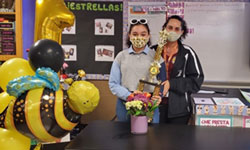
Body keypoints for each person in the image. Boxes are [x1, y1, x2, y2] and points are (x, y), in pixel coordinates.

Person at [152, 15, 204, 124]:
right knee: (153, 139)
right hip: (154, 105)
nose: (172, 31)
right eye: (170, 28)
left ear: (182, 32)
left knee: (177, 140)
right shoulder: (153, 50)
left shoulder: (187, 52)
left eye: (177, 29)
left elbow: (196, 81)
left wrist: (172, 84)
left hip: (179, 110)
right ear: (164, 29)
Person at [109, 18, 161, 123]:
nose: (139, 37)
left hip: (149, 103)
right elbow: (113, 83)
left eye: (143, 34)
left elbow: (162, 81)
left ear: (148, 35)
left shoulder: (157, 56)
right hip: (125, 103)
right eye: (135, 34)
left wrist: (159, 96)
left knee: (150, 137)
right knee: (124, 135)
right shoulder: (121, 56)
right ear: (129, 35)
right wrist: (130, 96)